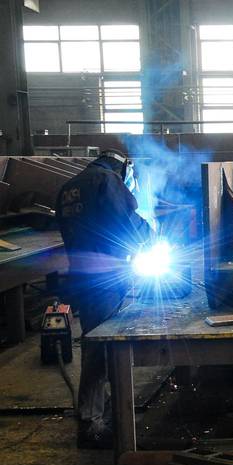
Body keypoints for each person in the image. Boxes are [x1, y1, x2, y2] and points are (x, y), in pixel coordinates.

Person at [55, 149, 154, 448]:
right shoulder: (107, 180)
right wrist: (152, 235)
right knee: (99, 347)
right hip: (106, 278)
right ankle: (90, 422)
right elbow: (125, 221)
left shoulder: (69, 187)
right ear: (123, 167)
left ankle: (105, 404)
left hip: (83, 275)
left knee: (98, 340)